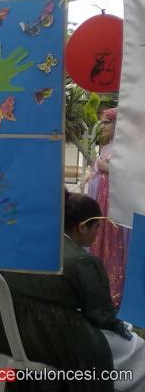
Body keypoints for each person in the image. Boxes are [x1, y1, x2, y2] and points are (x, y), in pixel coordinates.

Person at [0, 192, 145, 392]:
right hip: (60, 341)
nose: (98, 234)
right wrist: (121, 326)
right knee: (138, 348)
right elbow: (101, 316)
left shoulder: (30, 248)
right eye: (97, 227)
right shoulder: (83, 261)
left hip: (17, 334)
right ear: (82, 227)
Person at [86, 107, 129, 307]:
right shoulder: (105, 147)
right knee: (99, 240)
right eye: (101, 122)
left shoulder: (126, 148)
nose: (102, 126)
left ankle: (114, 287)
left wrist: (107, 168)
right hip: (100, 202)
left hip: (115, 204)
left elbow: (132, 174)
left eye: (106, 122)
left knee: (113, 242)